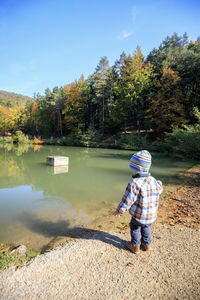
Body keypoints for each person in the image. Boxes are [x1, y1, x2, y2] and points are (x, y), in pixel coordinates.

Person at [114, 150, 163, 254]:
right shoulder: (153, 180)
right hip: (151, 215)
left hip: (138, 215)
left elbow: (127, 200)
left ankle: (135, 246)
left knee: (135, 227)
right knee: (146, 227)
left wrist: (119, 210)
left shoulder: (134, 183)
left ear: (135, 168)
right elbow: (159, 189)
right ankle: (147, 245)